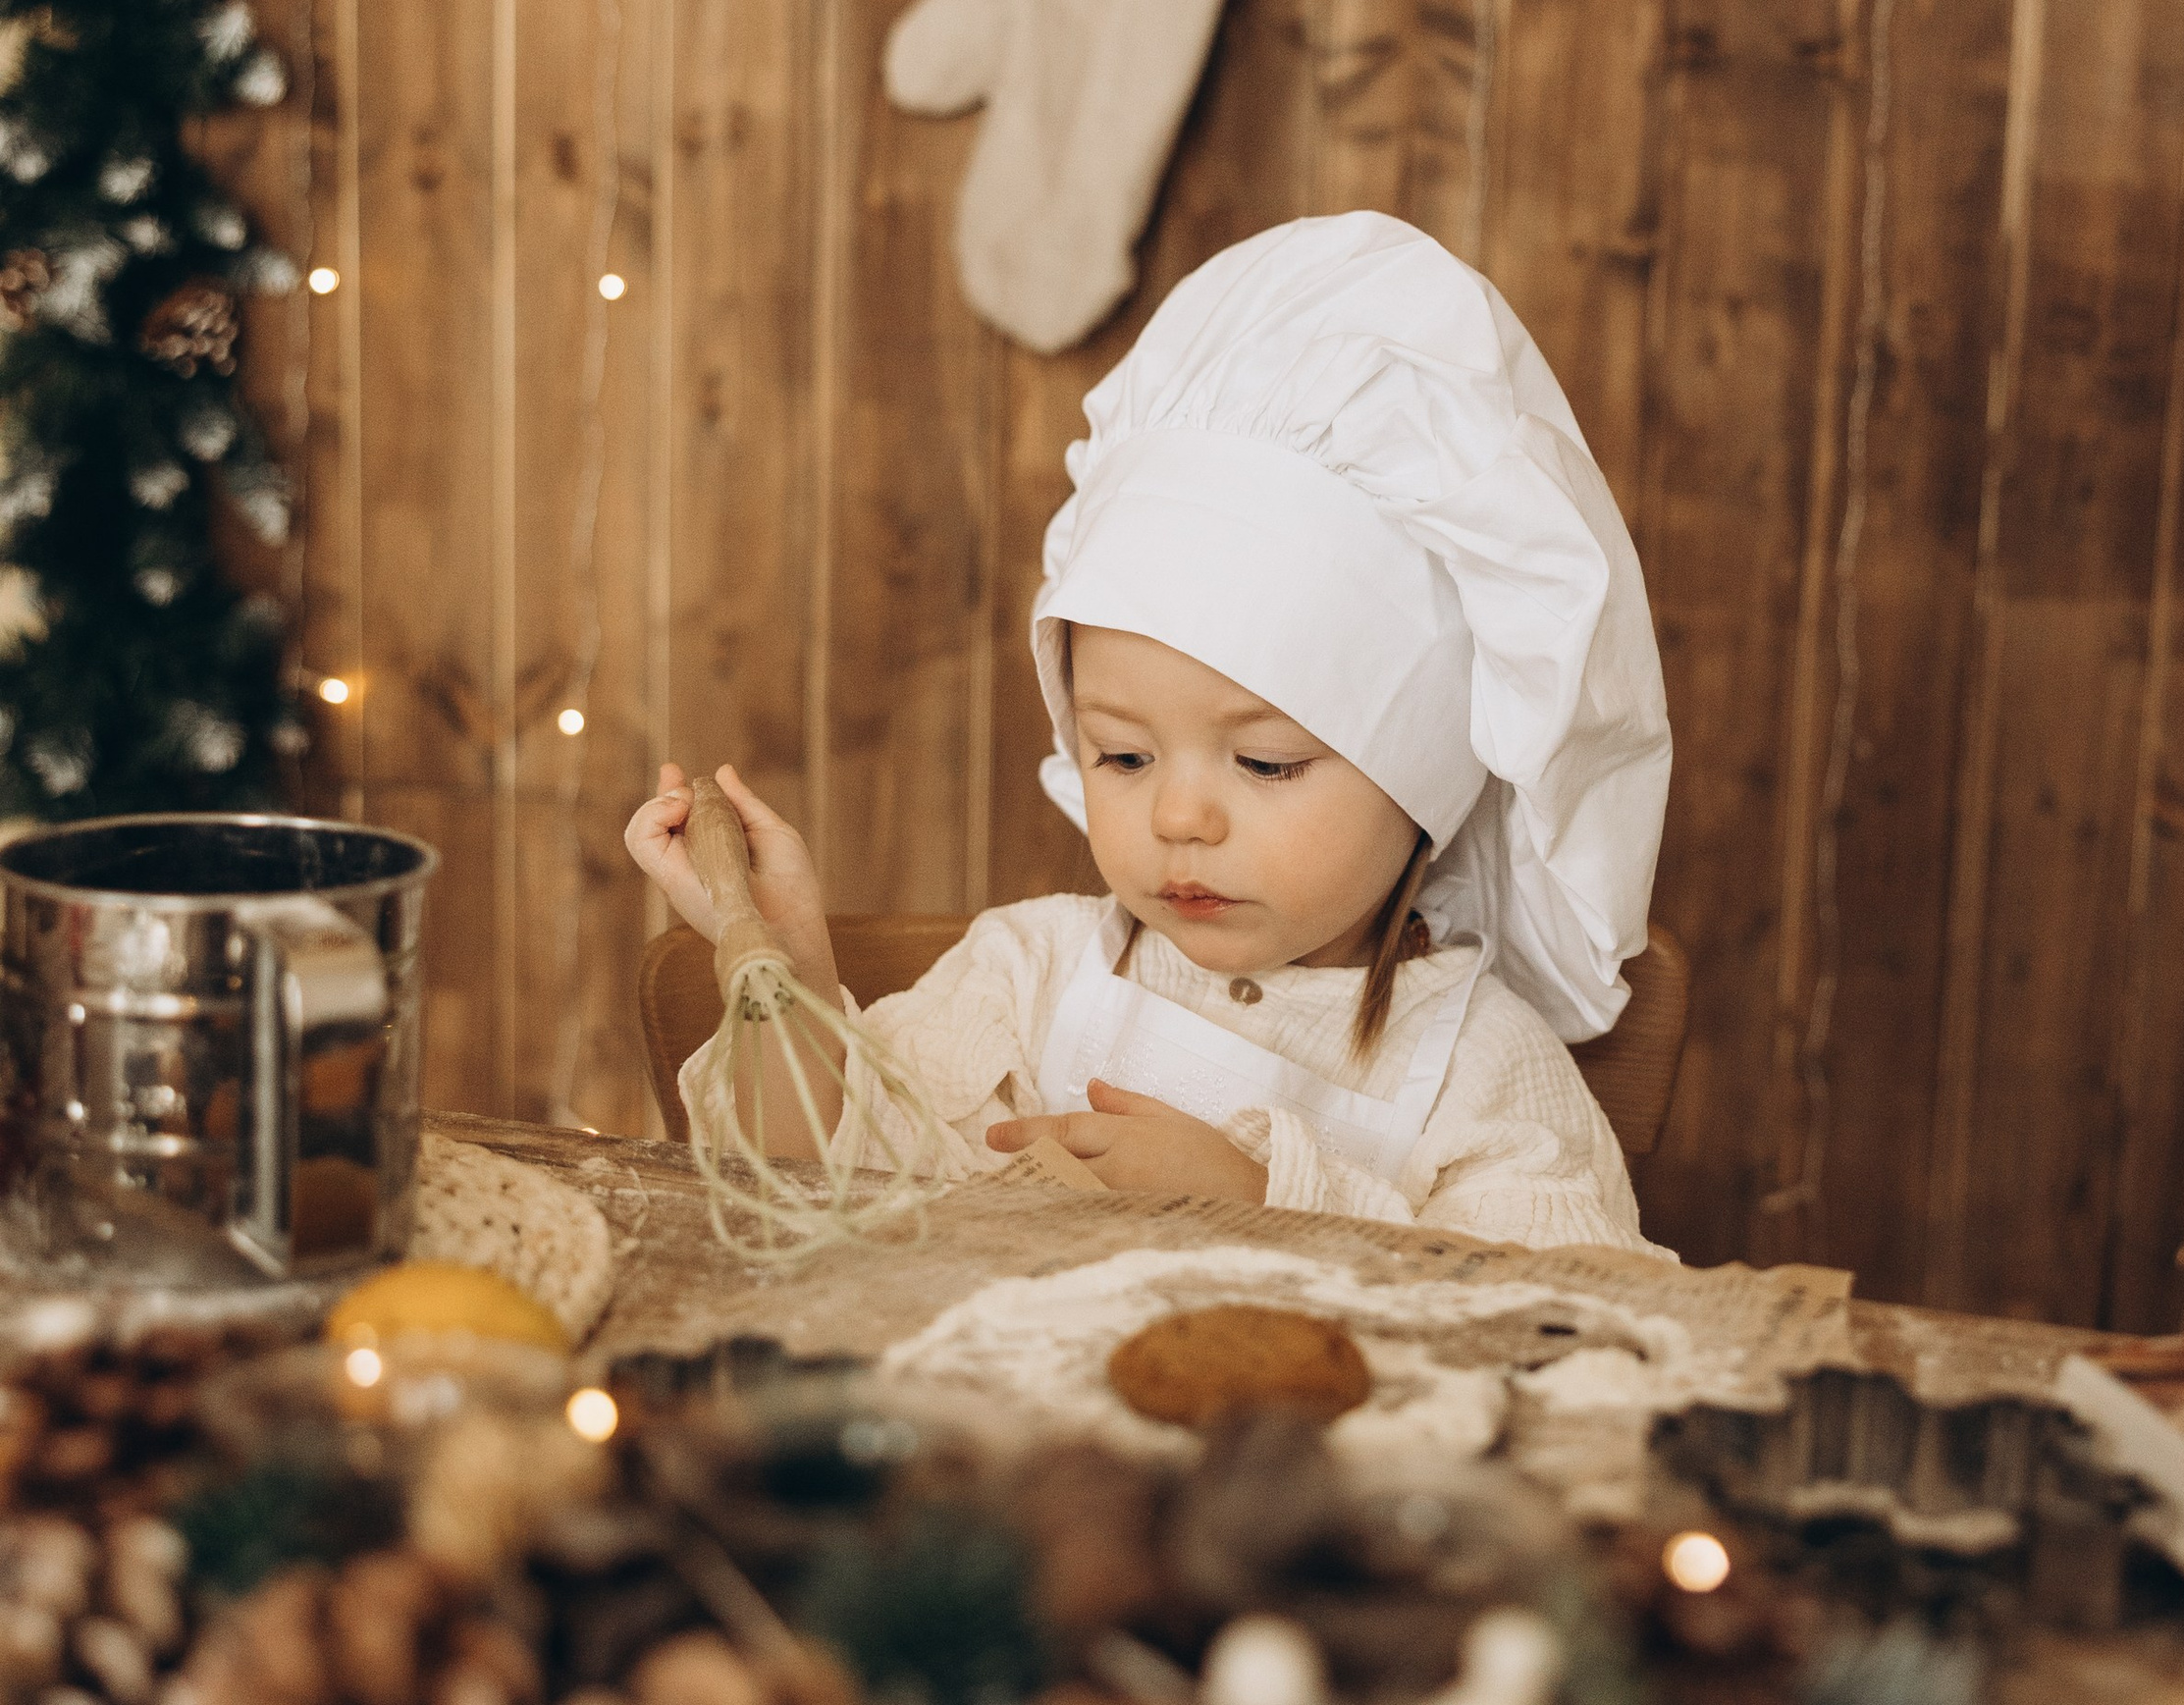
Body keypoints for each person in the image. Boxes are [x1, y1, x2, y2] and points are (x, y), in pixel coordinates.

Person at [626, 212, 1673, 1252]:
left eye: (1265, 762)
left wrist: (1261, 1203)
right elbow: (811, 1194)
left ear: (1424, 776)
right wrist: (782, 964)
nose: (1178, 816)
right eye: (1123, 755)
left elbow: (1566, 1310)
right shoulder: (1027, 977)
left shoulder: (1482, 1069)